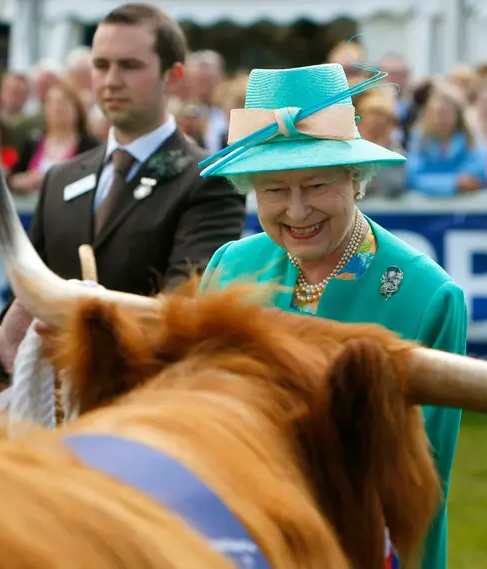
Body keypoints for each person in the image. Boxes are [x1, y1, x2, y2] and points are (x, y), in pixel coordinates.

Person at [196, 63, 466, 569]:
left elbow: (420, 490)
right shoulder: (229, 268)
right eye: (274, 190)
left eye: (317, 186)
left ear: (356, 180)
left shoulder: (426, 297)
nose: (297, 212)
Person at [18, 3, 245, 299]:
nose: (111, 81)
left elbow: (183, 309)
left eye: (129, 65)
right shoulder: (59, 179)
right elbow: (27, 299)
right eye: (100, 65)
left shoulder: (210, 179)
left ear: (173, 76)